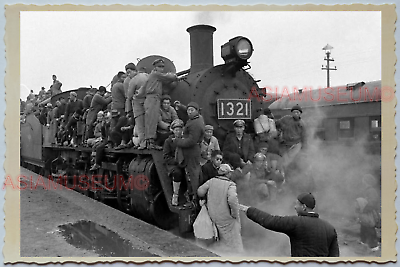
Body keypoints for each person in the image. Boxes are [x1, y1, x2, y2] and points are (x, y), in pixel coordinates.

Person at [239, 192, 340, 257]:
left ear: (304, 207)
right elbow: (335, 257)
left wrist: (249, 210)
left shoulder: (296, 222)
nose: (295, 207)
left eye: (296, 204)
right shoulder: (330, 228)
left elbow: (270, 221)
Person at [197, 164, 244, 253]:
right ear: (228, 174)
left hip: (213, 216)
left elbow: (200, 191)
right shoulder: (231, 185)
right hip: (226, 219)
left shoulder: (211, 181)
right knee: (233, 243)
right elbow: (232, 199)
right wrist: (234, 214)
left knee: (218, 239)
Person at [174, 102, 205, 204]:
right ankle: (194, 197)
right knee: (193, 174)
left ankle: (194, 199)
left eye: (192, 110)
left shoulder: (195, 124)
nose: (189, 112)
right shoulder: (197, 118)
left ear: (196, 111)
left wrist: (177, 141)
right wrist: (181, 106)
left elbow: (191, 141)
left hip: (191, 153)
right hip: (192, 152)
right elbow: (189, 109)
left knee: (192, 176)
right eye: (188, 110)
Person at [144, 59, 178, 149]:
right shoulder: (156, 74)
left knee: (152, 119)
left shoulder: (154, 76)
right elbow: (169, 77)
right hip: (153, 98)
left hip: (154, 98)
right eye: (159, 67)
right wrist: (174, 75)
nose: (161, 69)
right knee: (152, 120)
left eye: (163, 67)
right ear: (155, 67)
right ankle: (151, 143)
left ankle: (150, 142)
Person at [163, 119, 186, 206]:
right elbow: (166, 157)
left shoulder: (185, 140)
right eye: (176, 130)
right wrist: (177, 161)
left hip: (184, 162)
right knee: (177, 173)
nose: (178, 132)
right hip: (173, 164)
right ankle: (175, 195)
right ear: (173, 130)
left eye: (180, 129)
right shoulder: (168, 142)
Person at [128, 67, 149, 149]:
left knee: (140, 126)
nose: (128, 75)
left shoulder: (133, 80)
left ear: (134, 71)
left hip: (138, 105)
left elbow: (129, 96)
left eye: (129, 72)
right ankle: (150, 142)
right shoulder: (147, 76)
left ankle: (143, 144)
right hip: (149, 104)